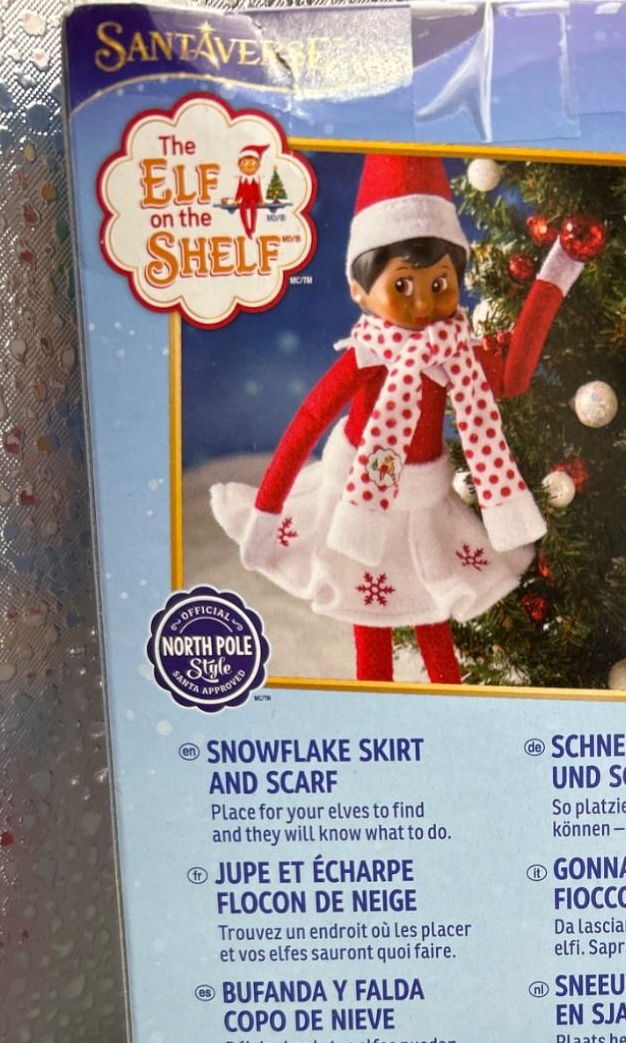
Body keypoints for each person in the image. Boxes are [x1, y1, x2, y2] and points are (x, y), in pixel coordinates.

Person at [210, 153, 589, 685]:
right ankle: (380, 712)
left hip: (423, 505)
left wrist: (557, 274)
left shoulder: (456, 353)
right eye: (403, 285)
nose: (424, 305)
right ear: (359, 291)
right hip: (355, 500)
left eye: (440, 284)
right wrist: (266, 514)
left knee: (432, 614)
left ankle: (448, 713)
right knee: (371, 629)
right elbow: (307, 424)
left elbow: (512, 378)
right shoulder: (366, 356)